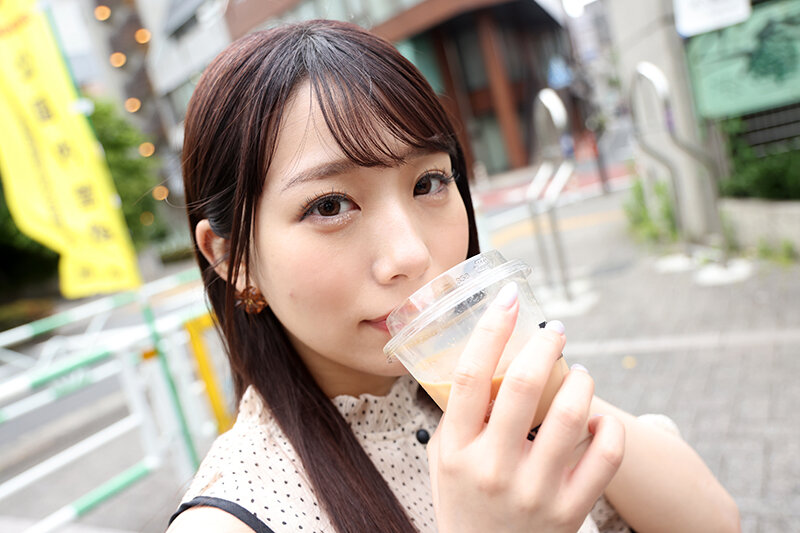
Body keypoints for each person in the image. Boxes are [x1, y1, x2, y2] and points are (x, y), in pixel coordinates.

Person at [167, 20, 740, 533]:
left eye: (428, 184)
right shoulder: (237, 515)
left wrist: (558, 405)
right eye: (330, 206)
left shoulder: (483, 386)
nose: (411, 254)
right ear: (232, 258)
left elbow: (715, 522)